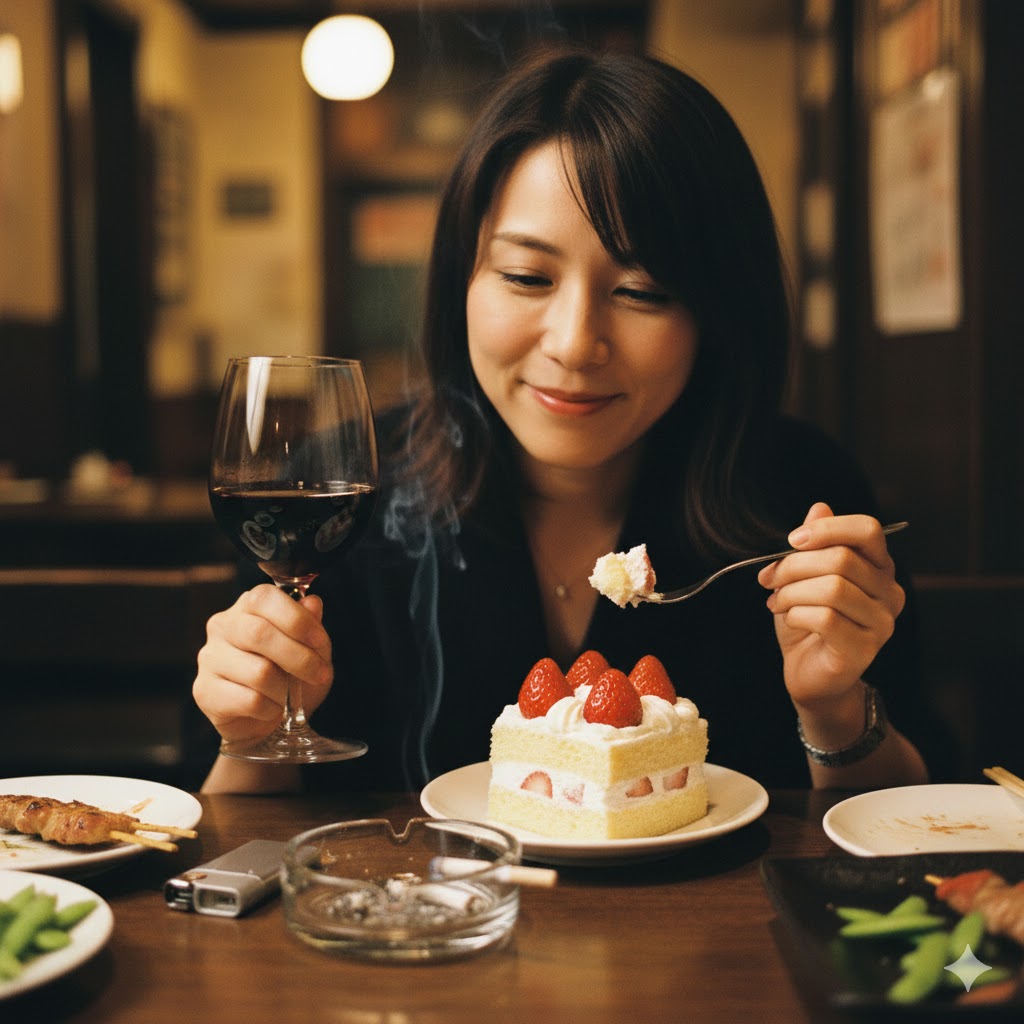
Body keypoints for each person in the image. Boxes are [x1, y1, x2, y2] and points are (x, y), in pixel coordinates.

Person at [191, 45, 948, 797]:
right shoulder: (348, 501)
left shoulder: (799, 498)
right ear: (464, 279)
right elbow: (236, 852)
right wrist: (253, 732)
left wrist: (834, 709)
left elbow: (918, 825)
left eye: (642, 291)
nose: (575, 342)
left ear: (716, 312)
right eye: (527, 277)